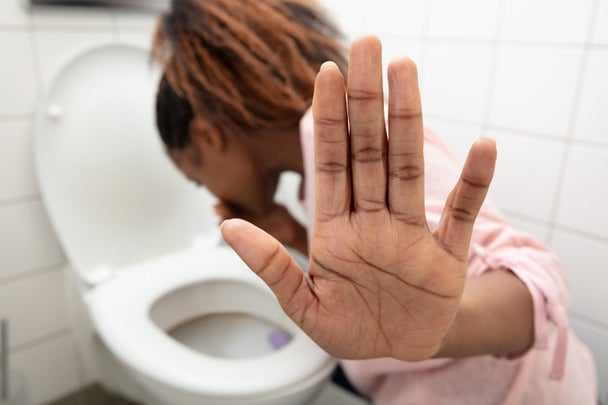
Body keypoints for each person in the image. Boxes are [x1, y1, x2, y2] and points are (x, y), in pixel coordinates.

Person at [152, 0, 597, 403]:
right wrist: (295, 236)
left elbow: (537, 286)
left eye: (196, 179)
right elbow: (380, 278)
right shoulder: (317, 175)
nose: (212, 194)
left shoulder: (348, 139)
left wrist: (440, 326)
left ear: (207, 137)